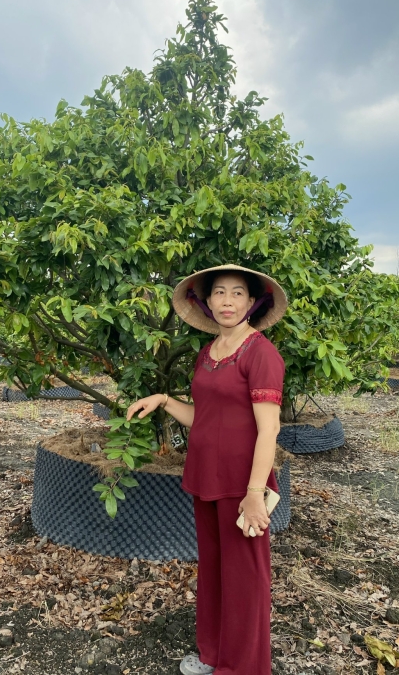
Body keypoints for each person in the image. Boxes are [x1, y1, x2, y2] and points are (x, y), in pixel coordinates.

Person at [126, 264, 288, 675]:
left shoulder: (261, 353)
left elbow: (269, 429)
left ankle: (243, 668)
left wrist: (255, 494)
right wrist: (163, 400)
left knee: (245, 582)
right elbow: (205, 417)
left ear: (253, 303)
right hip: (207, 477)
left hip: (241, 484)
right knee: (216, 573)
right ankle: (214, 656)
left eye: (237, 293)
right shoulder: (209, 353)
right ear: (207, 301)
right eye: (219, 292)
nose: (227, 301)